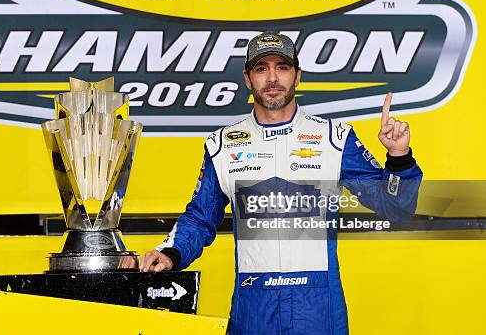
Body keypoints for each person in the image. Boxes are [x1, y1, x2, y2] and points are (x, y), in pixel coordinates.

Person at [139, 32, 423, 335]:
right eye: (262, 68)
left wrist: (398, 155)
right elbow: (199, 217)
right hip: (254, 304)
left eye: (282, 67)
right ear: (248, 79)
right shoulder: (221, 145)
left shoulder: (335, 139)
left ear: (297, 76)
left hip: (317, 305)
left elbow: (395, 207)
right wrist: (170, 253)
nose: (272, 77)